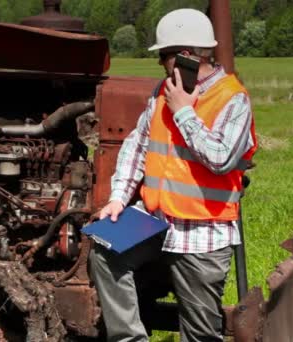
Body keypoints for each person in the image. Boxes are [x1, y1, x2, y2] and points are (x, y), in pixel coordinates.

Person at [89, 8, 257, 342]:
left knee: (200, 334)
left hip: (203, 231)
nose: (159, 64)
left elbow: (221, 159)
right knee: (104, 249)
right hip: (156, 218)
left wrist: (184, 111)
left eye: (163, 56)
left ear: (185, 56)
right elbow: (137, 148)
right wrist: (119, 198)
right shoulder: (160, 93)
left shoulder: (233, 99)